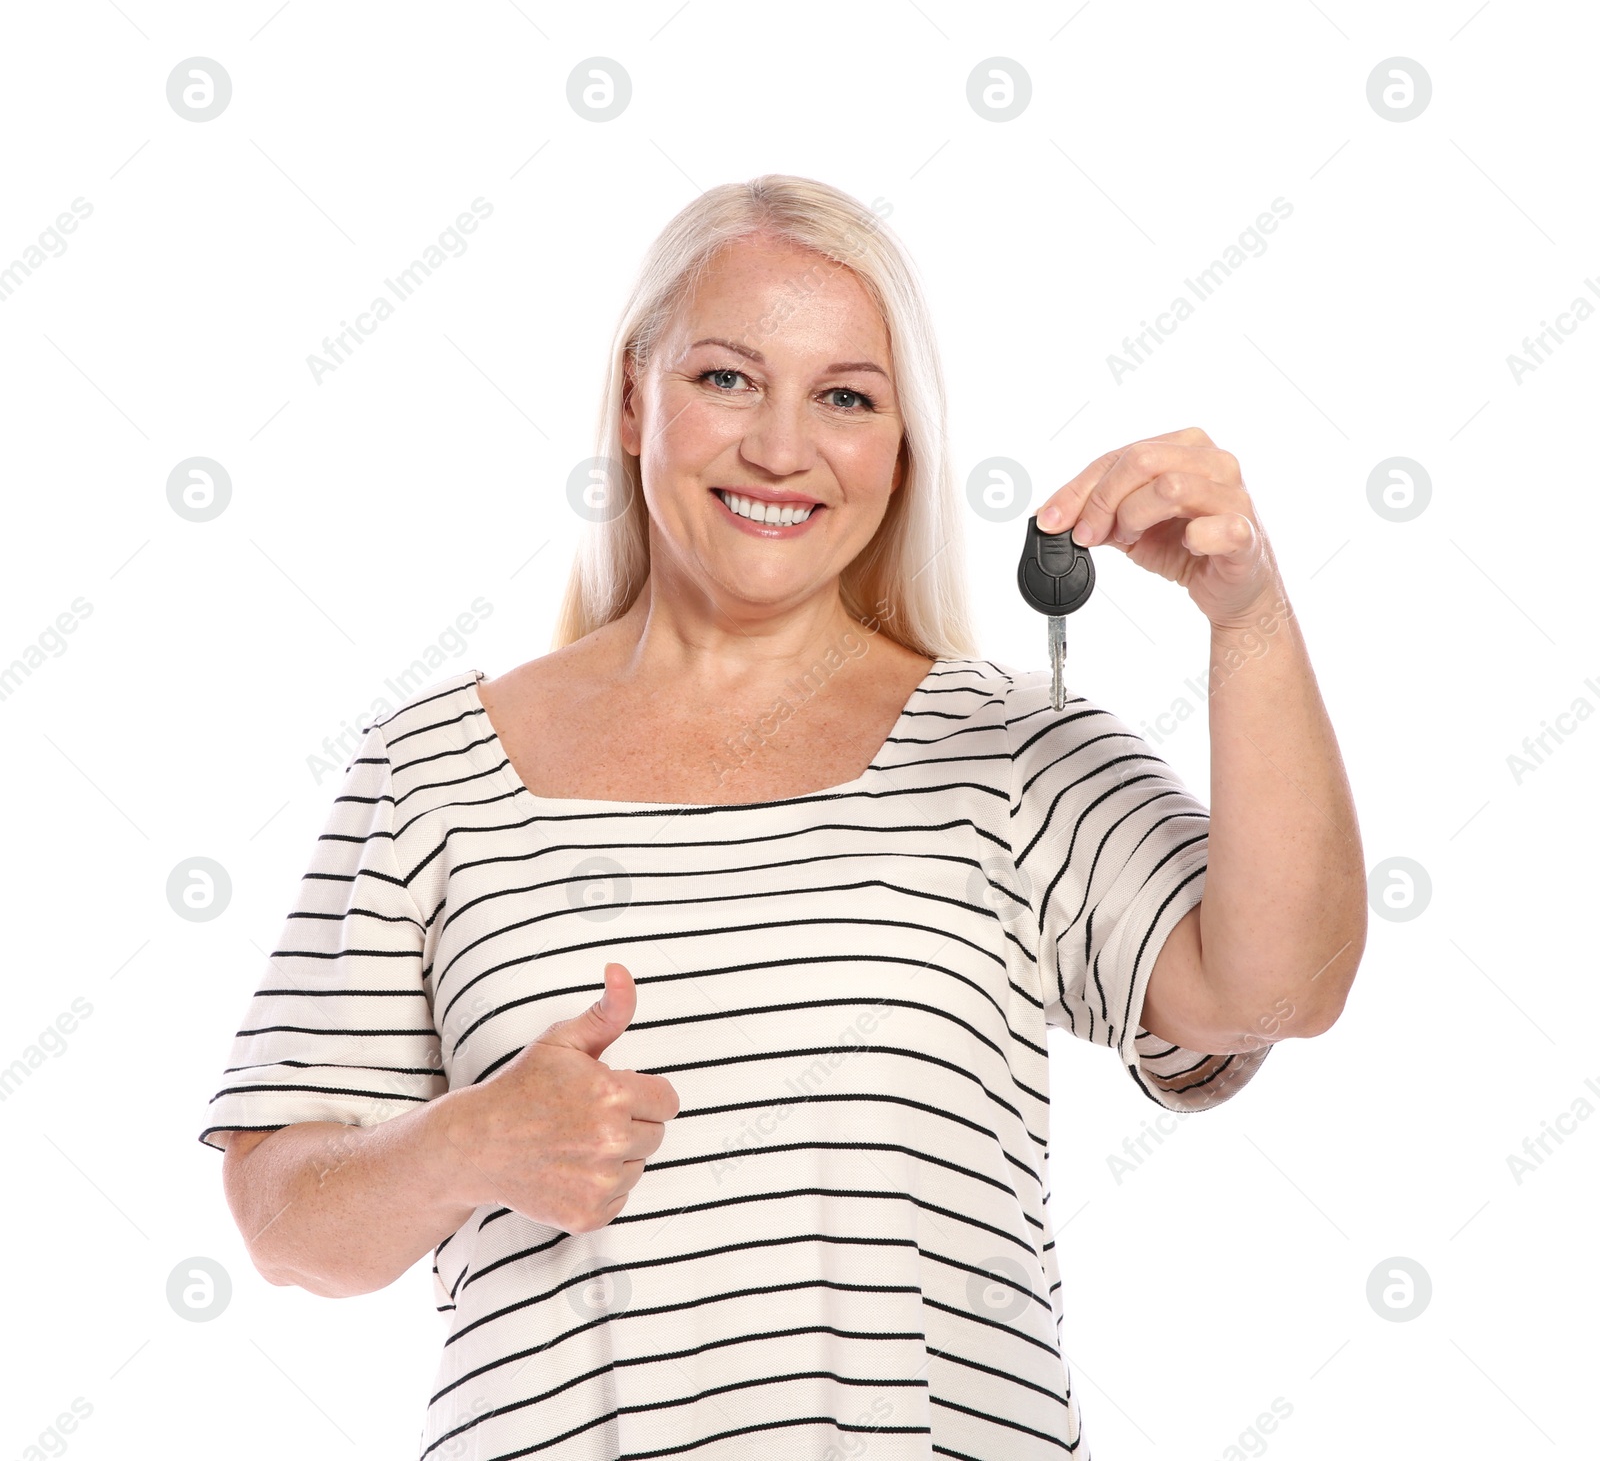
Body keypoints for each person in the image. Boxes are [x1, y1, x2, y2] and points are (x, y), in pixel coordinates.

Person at [198, 174, 1365, 1459]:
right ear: (637, 394)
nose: (779, 448)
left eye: (847, 397)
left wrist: (1245, 613)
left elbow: (1278, 989)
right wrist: (462, 1145)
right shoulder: (430, 771)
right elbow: (279, 1215)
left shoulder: (1010, 749)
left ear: (900, 448)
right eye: (727, 379)